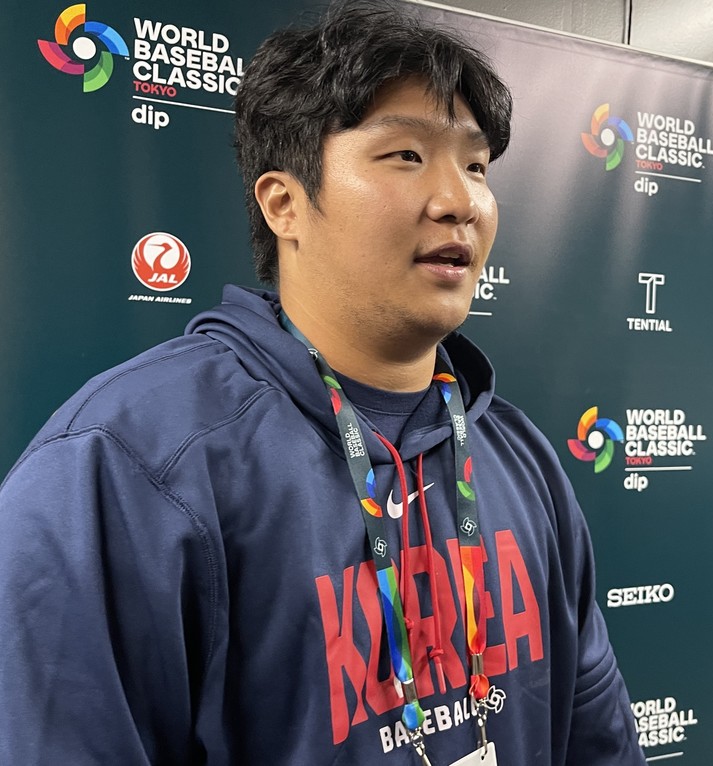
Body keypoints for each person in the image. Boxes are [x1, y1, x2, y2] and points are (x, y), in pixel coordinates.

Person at [0, 1, 645, 764]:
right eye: (406, 155)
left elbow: (598, 741)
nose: (460, 202)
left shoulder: (521, 458)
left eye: (475, 166)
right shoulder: (130, 468)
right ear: (284, 204)